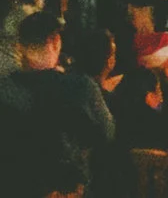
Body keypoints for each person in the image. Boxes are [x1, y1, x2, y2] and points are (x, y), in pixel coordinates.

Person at [0, 11, 115, 169]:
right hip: (67, 185)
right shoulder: (81, 86)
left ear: (19, 47)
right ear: (55, 42)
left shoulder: (5, 88)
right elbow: (108, 133)